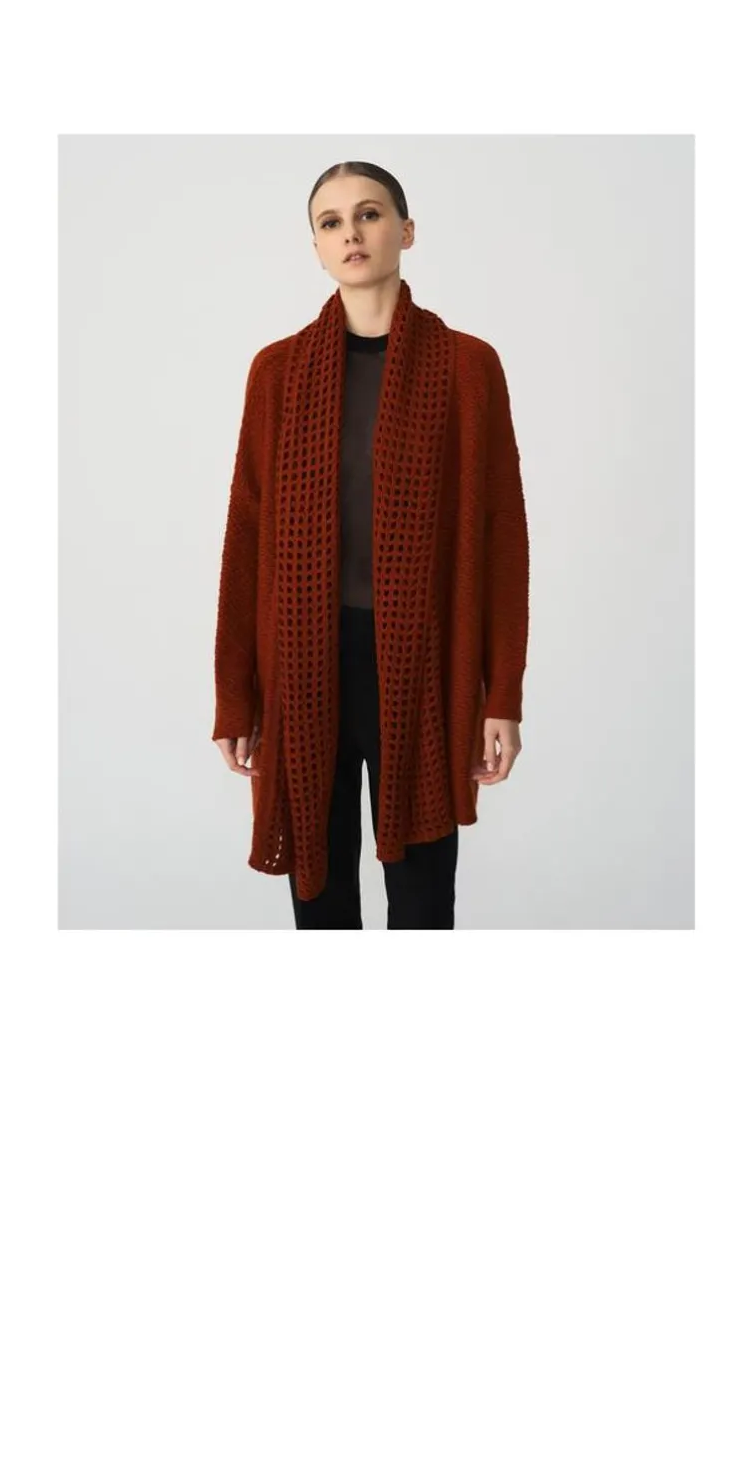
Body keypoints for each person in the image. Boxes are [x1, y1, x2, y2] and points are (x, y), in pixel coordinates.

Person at [211, 162, 529, 929]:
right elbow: (246, 535)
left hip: (423, 666)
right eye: (331, 222)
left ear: (406, 231)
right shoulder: (278, 373)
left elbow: (502, 542)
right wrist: (234, 694)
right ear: (317, 247)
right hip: (304, 662)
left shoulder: (468, 368)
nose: (351, 233)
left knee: (422, 896)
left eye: (370, 214)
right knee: (320, 899)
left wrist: (502, 695)